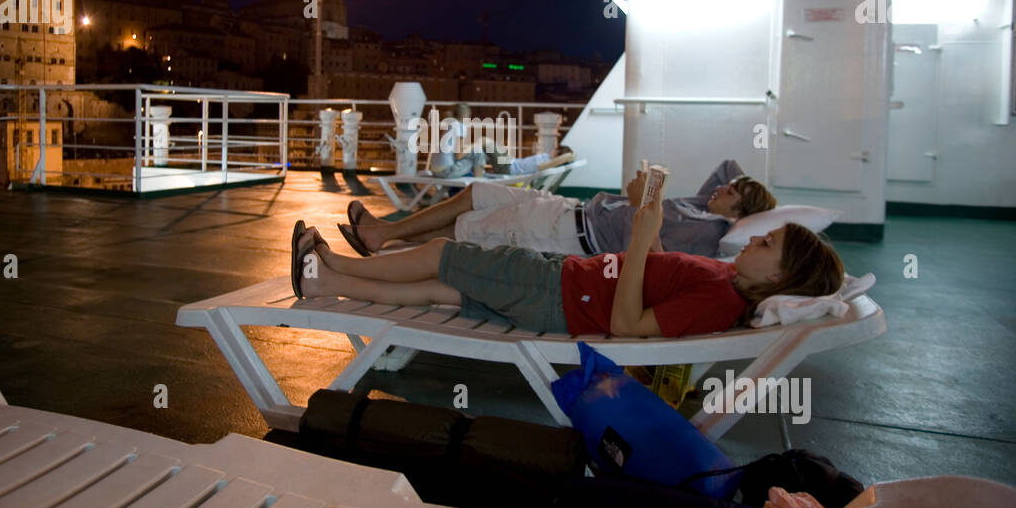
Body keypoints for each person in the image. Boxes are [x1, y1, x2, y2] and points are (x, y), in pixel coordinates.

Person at [295, 196, 844, 338]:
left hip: (560, 291)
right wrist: (646, 237)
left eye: (766, 243)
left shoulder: (721, 299)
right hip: (566, 291)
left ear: (777, 278)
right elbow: (649, 286)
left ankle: (336, 263)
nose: (754, 241)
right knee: (445, 290)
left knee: (446, 256)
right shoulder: (725, 282)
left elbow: (628, 325)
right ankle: (327, 283)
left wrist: (642, 236)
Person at [339, 158, 774, 259]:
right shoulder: (702, 207)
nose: (722, 188)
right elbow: (726, 168)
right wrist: (747, 196)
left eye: (733, 191)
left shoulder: (706, 232)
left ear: (740, 211)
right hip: (570, 208)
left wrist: (643, 203)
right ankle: (385, 232)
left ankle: (384, 243)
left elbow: (644, 254)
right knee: (475, 192)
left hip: (570, 237)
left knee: (471, 228)